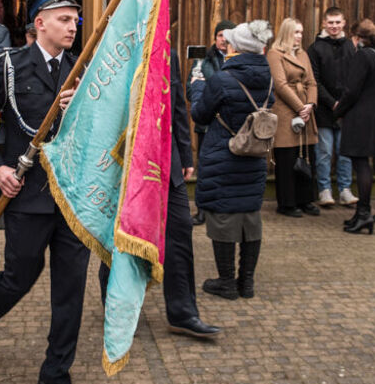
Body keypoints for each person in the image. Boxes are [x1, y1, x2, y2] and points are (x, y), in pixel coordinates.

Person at [0, 0, 92, 384]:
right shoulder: (11, 67)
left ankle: (55, 375)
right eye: (64, 19)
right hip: (28, 196)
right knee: (20, 276)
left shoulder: (82, 70)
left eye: (74, 19)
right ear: (39, 24)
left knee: (70, 289)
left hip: (71, 197)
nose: (73, 26)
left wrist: (81, 112)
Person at [98, 51, 221, 337]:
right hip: (124, 160)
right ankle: (114, 305)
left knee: (179, 230)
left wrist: (185, 153)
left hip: (166, 160)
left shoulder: (167, 50)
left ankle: (183, 313)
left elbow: (176, 103)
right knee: (121, 234)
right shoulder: (116, 46)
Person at [190, 20, 274, 300]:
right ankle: (246, 283)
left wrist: (198, 88)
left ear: (236, 47)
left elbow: (200, 115)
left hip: (223, 153)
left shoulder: (223, 79)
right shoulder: (268, 76)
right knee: (250, 215)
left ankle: (227, 282)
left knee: (223, 216)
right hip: (254, 154)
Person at [333, 19, 375, 234]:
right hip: (372, 114)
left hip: (359, 115)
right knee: (362, 162)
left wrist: (338, 111)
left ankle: (364, 214)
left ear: (358, 37)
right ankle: (362, 213)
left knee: (361, 164)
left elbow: (352, 90)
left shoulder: (363, 55)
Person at [268, 17, 319, 218]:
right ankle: (287, 203)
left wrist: (310, 105)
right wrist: (300, 107)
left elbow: (313, 82)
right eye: (296, 32)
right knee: (287, 158)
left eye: (301, 32)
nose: (300, 36)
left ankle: (306, 199)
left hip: (305, 112)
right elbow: (280, 85)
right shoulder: (274, 54)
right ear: (287, 33)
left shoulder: (303, 54)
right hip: (286, 112)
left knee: (306, 155)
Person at [307, 7, 357, 207]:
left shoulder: (351, 47)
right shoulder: (315, 48)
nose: (334, 26)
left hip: (346, 110)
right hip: (324, 111)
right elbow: (314, 80)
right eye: (331, 22)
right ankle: (324, 190)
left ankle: (345, 189)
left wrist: (344, 102)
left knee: (344, 152)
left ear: (343, 23)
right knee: (324, 152)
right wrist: (331, 102)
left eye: (338, 22)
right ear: (324, 24)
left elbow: (355, 76)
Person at [189, 20, 234, 226]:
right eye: (220, 35)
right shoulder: (202, 62)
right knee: (206, 168)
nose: (223, 39)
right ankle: (202, 210)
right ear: (215, 38)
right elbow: (193, 90)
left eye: (227, 35)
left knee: (227, 168)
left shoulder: (238, 60)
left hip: (231, 126)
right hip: (207, 124)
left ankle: (223, 208)